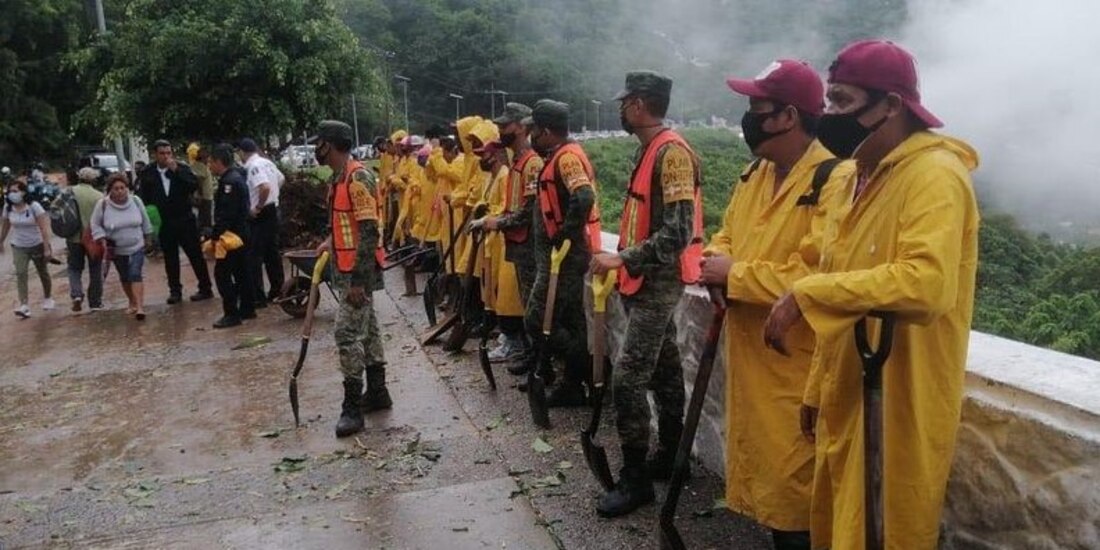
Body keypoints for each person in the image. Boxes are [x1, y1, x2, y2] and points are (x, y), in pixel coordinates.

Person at [763, 40, 980, 550]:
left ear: (891, 105)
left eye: (841, 102)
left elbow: (926, 284)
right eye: (829, 102)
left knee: (887, 527)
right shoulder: (849, 179)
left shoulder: (935, 177)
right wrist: (817, 389)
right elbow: (840, 275)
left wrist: (806, 293)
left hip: (900, 394)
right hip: (846, 387)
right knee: (838, 526)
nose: (829, 115)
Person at [699, 60, 854, 549]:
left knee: (797, 500)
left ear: (788, 116)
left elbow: (819, 276)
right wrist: (715, 258)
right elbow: (726, 234)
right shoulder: (755, 173)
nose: (748, 119)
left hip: (795, 368)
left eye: (756, 109)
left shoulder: (834, 178)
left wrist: (737, 275)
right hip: (752, 362)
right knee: (770, 489)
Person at [588, 71, 702, 517]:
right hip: (646, 280)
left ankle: (635, 481)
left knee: (628, 379)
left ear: (638, 104)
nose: (621, 110)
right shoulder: (650, 150)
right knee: (667, 372)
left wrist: (623, 258)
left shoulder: (671, 154)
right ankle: (675, 457)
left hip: (658, 281)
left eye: (624, 103)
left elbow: (677, 231)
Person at [311, 120, 388, 438]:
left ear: (329, 145)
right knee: (367, 330)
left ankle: (352, 409)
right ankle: (379, 393)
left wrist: (358, 281)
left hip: (358, 271)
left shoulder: (358, 177)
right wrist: (330, 240)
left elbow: (369, 230)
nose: (317, 149)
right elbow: (348, 222)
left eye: (319, 143)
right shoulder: (338, 178)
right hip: (345, 266)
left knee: (346, 334)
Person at [523, 99, 600, 405]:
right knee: (570, 320)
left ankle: (576, 367)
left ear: (545, 131)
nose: (532, 138)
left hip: (566, 256)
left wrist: (564, 235)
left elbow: (583, 196)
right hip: (562, 256)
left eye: (534, 131)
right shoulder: (559, 155)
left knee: (537, 317)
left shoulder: (567, 158)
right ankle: (572, 383)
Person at [478, 103, 543, 366]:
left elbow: (530, 210)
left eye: (506, 126)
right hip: (517, 244)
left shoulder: (532, 162)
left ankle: (538, 361)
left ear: (522, 127)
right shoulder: (517, 161)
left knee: (532, 306)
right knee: (526, 304)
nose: (501, 130)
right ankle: (529, 353)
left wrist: (498, 222)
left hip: (529, 245)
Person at [138, 139, 213, 304]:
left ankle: (205, 287)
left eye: (168, 153)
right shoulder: (148, 172)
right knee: (170, 257)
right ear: (155, 155)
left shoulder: (182, 168)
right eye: (162, 153)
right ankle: (175, 291)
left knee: (195, 254)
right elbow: (144, 196)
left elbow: (193, 185)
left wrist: (177, 170)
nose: (166, 156)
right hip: (165, 221)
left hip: (185, 218)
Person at [206, 143, 256, 328]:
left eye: (211, 162)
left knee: (222, 274)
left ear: (219, 162)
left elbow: (226, 214)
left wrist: (215, 235)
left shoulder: (229, 182)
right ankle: (248, 308)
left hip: (231, 238)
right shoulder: (237, 176)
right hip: (243, 233)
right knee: (243, 272)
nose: (209, 166)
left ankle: (231, 314)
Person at [92, 173, 154, 320]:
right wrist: (101, 240)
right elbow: (95, 224)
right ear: (110, 190)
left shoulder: (136, 201)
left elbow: (145, 220)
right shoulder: (103, 205)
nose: (120, 191)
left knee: (135, 274)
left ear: (127, 188)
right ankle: (132, 301)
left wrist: (148, 237)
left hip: (137, 245)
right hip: (117, 249)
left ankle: (139, 307)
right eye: (116, 189)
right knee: (125, 276)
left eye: (122, 188)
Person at [238, 138, 286, 307]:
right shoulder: (267, 163)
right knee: (271, 253)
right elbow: (281, 179)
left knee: (254, 255)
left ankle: (258, 296)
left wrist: (258, 206)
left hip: (261, 213)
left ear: (242, 152)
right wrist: (274, 196)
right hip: (273, 210)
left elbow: (264, 187)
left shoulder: (253, 166)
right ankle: (278, 289)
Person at [1, 178, 55, 317]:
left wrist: (46, 247)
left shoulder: (34, 206)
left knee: (42, 271)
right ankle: (24, 305)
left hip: (36, 244)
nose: (12, 194)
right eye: (10, 191)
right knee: (21, 272)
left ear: (23, 192)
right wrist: (1, 241)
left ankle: (48, 297)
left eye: (15, 191)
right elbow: (6, 226)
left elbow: (43, 228)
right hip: (19, 245)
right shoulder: (8, 208)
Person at [65, 167, 107, 312]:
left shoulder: (68, 192)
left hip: (73, 237)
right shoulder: (99, 196)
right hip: (93, 238)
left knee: (74, 268)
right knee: (96, 269)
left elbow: (54, 210)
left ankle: (76, 294)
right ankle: (95, 301)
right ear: (93, 179)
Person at [188, 143, 215, 231]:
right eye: (207, 156)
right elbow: (198, 180)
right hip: (204, 198)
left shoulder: (202, 166)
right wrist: (200, 195)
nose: (208, 159)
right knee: (205, 221)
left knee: (205, 219)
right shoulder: (199, 166)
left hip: (206, 197)